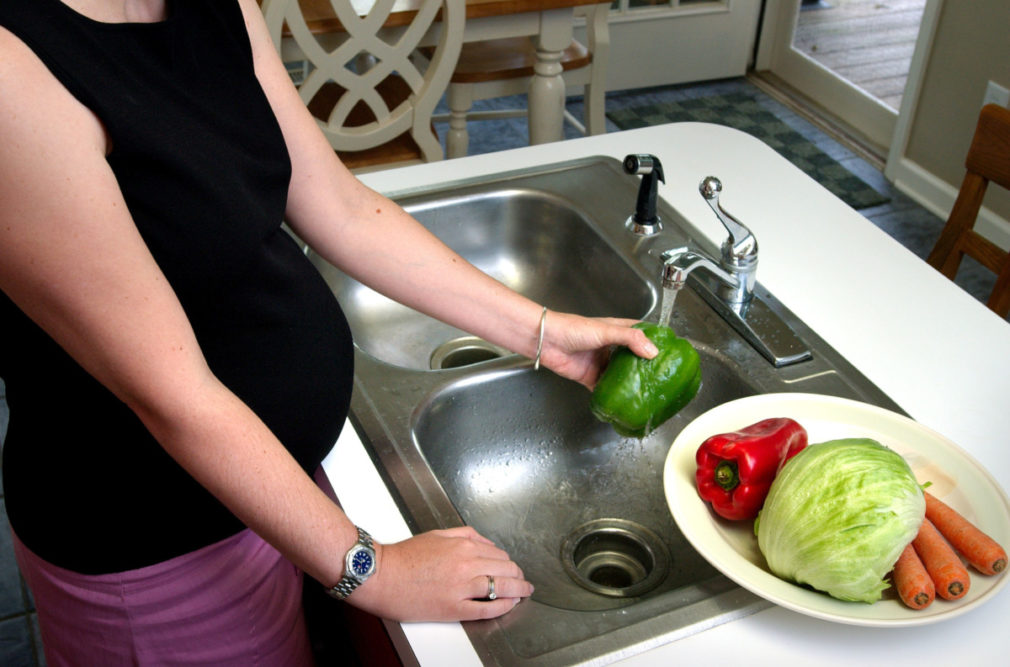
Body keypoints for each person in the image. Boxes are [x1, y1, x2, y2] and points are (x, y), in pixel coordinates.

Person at [0, 0, 657, 663]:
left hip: (275, 495)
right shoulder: (11, 71)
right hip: (156, 549)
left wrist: (543, 331)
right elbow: (173, 394)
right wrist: (376, 570)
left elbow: (341, 207)